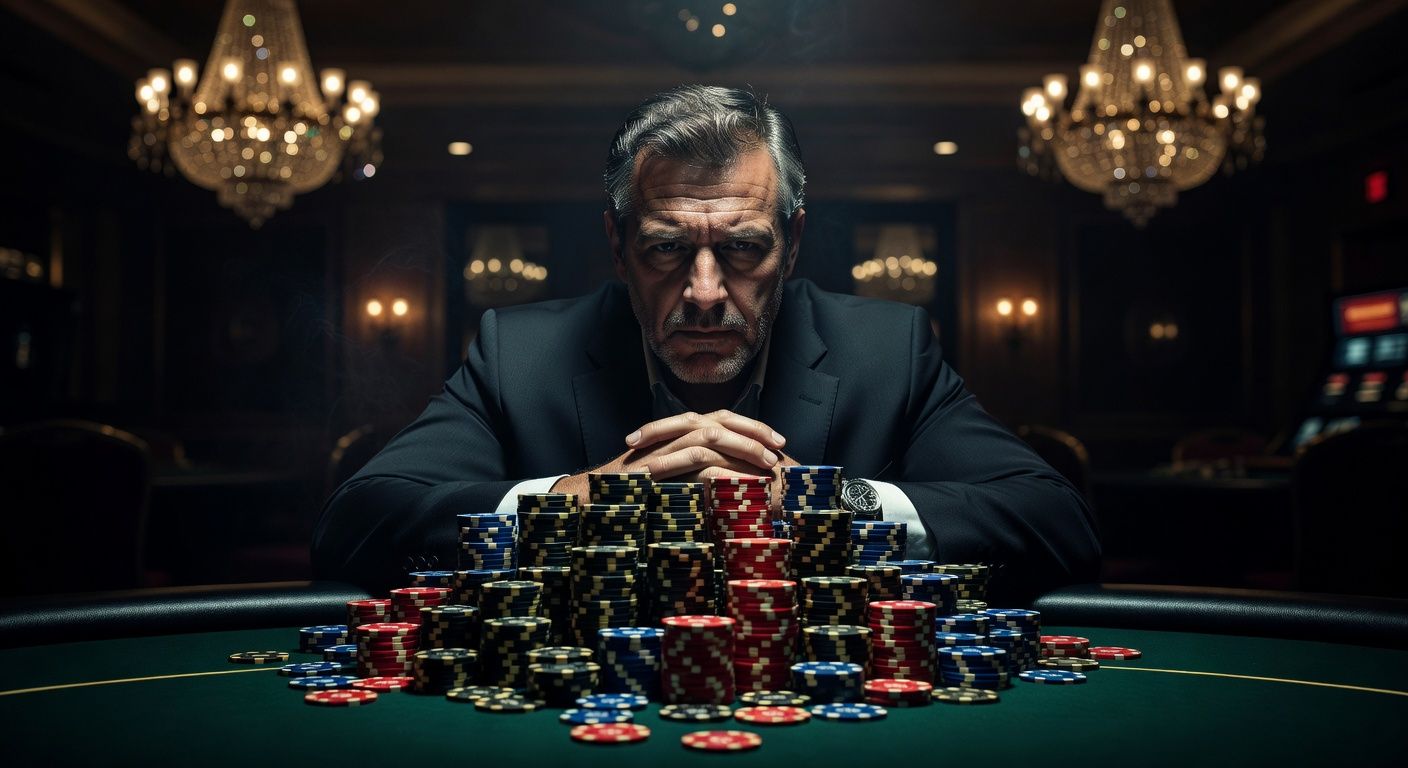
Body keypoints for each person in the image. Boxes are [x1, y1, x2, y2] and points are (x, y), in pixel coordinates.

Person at [313, 85, 1100, 600]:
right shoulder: (518, 355)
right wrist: (572, 504)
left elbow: (1056, 524)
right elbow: (357, 526)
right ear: (618, 246)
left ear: (792, 244)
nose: (703, 292)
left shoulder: (887, 350)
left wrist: (830, 504)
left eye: (743, 248)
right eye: (665, 249)